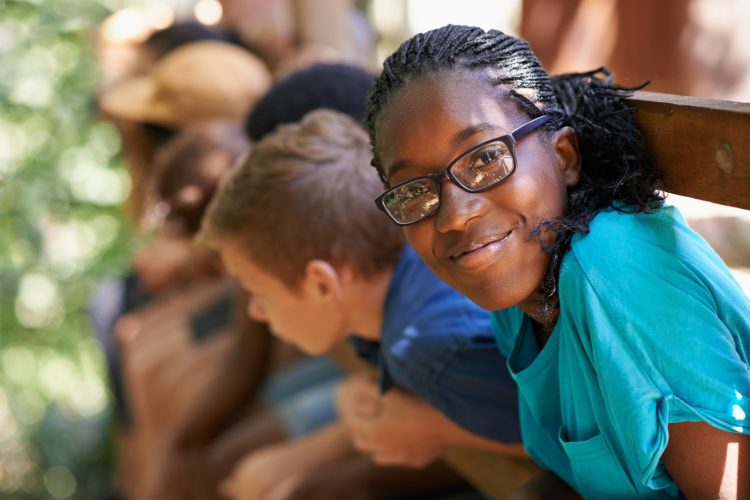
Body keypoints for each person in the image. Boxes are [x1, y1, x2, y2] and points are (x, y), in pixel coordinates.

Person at [364, 24, 750, 499]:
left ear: (563, 156)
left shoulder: (614, 271)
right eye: (417, 191)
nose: (455, 216)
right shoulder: (521, 291)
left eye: (485, 159)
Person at [199, 109, 535, 498]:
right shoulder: (408, 286)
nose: (255, 312)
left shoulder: (432, 352)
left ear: (322, 285)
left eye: (256, 291)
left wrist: (437, 428)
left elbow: (578, 427)